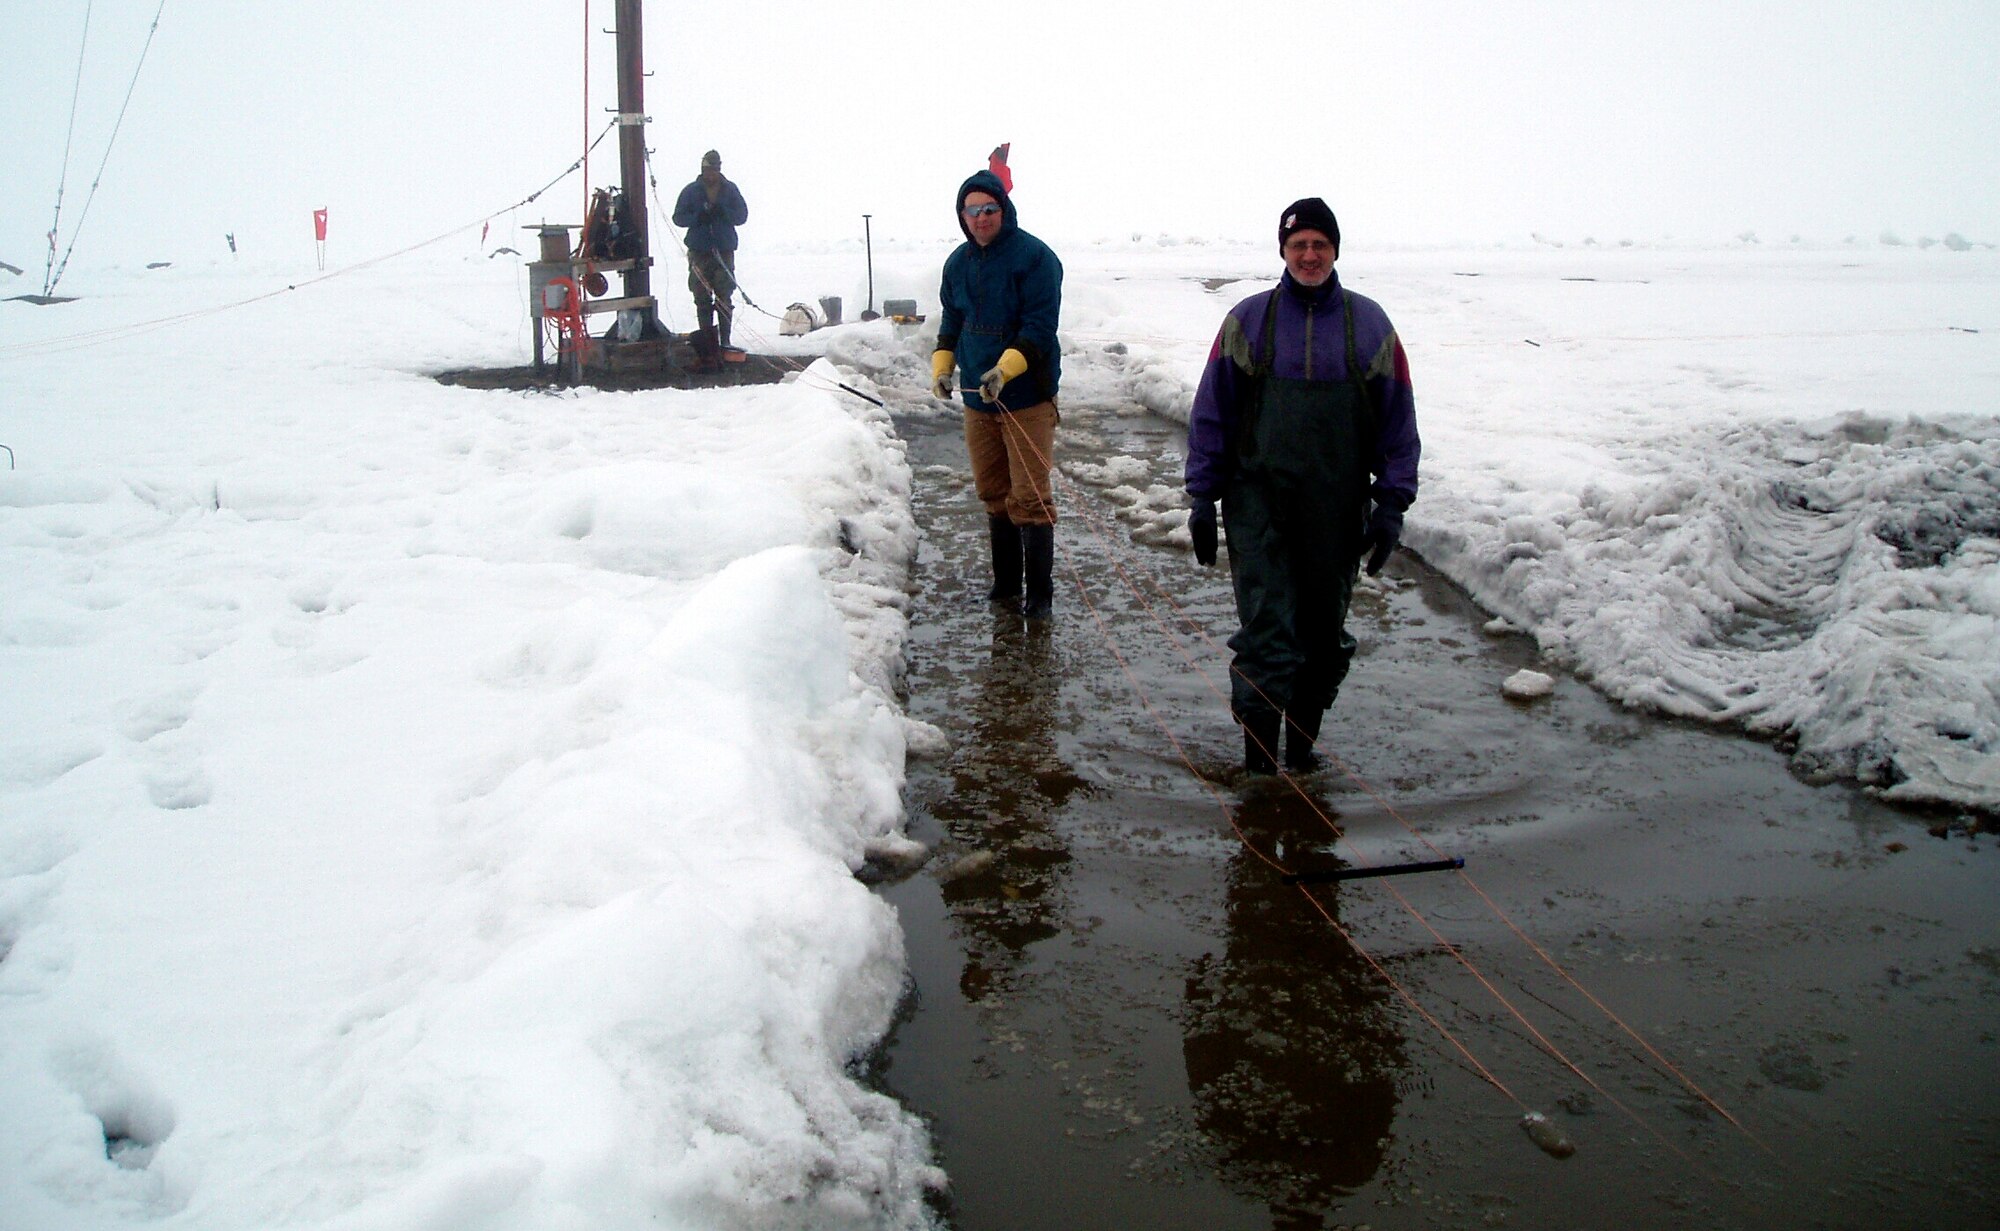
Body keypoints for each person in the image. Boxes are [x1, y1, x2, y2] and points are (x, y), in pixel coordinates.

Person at [1183, 198, 1419, 774]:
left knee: (1322, 637)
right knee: (1267, 636)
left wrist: (1391, 503)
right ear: (1283, 252)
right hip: (1257, 502)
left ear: (1335, 249)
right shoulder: (1249, 320)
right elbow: (1213, 409)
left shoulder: (1370, 325)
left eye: (1319, 244)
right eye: (1298, 245)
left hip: (1336, 507)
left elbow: (1398, 419)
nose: (1309, 255)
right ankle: (1262, 776)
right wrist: (1201, 496)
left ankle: (1302, 758)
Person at [931, 168, 1064, 619]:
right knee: (993, 490)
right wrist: (943, 363)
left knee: (1030, 496)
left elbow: (1040, 327)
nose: (981, 218)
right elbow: (952, 319)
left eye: (989, 209)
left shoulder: (1036, 258)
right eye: (973, 210)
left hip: (1026, 396)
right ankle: (1006, 586)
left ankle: (1039, 596)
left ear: (1003, 210)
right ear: (962, 215)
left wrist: (1005, 369)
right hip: (977, 400)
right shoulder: (957, 264)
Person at [672, 150, 749, 356]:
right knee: (701, 296)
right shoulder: (691, 191)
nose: (711, 174)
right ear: (702, 169)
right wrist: (698, 216)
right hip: (700, 252)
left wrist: (724, 212)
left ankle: (725, 341)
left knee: (724, 296)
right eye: (708, 170)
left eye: (715, 169)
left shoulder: (730, 190)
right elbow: (678, 218)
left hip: (724, 252)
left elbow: (742, 216)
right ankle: (707, 342)